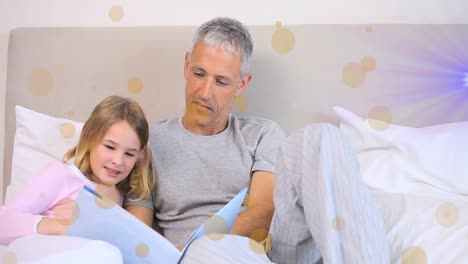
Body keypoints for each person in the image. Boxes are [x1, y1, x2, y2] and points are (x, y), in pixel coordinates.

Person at [127, 17, 390, 264]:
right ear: (186, 65)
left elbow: (264, 213)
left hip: (267, 251)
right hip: (194, 257)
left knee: (321, 137)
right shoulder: (148, 141)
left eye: (221, 81)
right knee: (206, 251)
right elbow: (137, 236)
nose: (205, 92)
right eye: (198, 74)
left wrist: (209, 240)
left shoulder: (261, 133)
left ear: (242, 85)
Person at [0, 95, 155, 262]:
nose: (118, 161)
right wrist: (62, 226)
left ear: (139, 156)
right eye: (110, 147)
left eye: (129, 154)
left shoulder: (122, 194)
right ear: (90, 139)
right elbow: (4, 222)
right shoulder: (63, 176)